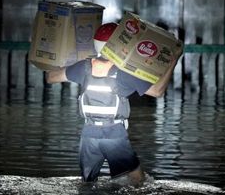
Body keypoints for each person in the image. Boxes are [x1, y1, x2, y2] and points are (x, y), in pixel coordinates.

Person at [45, 22, 175, 186]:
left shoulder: (83, 67)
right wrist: (173, 61)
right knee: (138, 182)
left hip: (87, 136)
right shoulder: (124, 73)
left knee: (87, 184)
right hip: (114, 135)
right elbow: (158, 91)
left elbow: (50, 77)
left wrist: (60, 54)